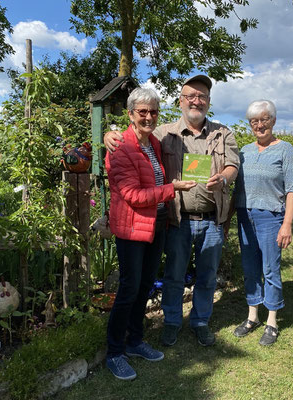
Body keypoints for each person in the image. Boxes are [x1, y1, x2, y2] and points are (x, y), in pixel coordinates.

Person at [104, 75, 240, 347]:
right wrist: (109, 133)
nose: (196, 101)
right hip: (177, 219)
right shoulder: (163, 132)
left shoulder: (222, 133)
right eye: (190, 96)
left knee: (206, 277)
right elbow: (134, 134)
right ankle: (172, 322)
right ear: (180, 101)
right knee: (173, 276)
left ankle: (200, 322)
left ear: (209, 102)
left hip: (211, 220)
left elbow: (233, 166)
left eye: (201, 96)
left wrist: (224, 178)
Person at [105, 87, 196, 380]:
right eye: (142, 111)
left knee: (144, 286)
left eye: (153, 111)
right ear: (131, 114)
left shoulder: (153, 143)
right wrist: (173, 189)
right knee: (129, 289)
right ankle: (114, 352)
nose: (148, 116)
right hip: (132, 228)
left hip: (155, 224)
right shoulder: (121, 147)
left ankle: (134, 341)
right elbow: (132, 194)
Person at [228, 100, 293, 346]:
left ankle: (272, 321)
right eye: (254, 121)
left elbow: (292, 188)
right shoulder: (244, 151)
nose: (260, 125)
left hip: (271, 218)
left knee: (270, 269)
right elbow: (237, 187)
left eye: (264, 119)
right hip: (245, 216)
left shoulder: (285, 150)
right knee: (249, 269)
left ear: (273, 121)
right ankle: (252, 317)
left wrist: (287, 223)